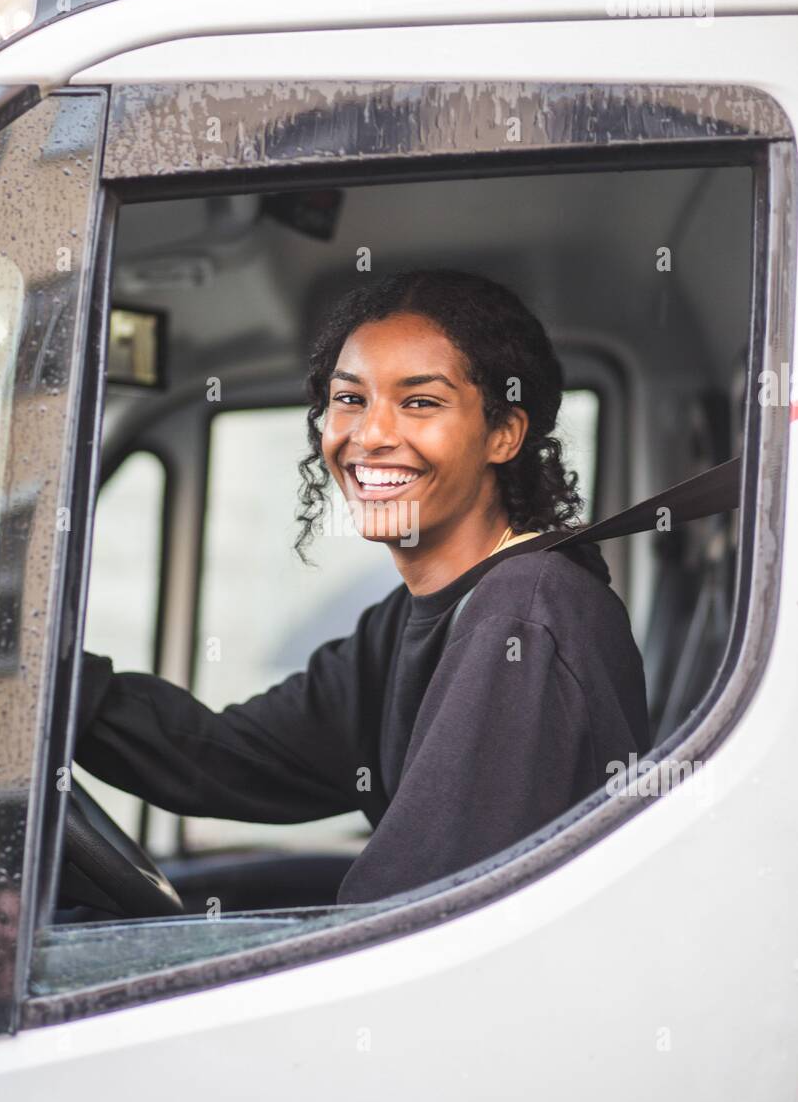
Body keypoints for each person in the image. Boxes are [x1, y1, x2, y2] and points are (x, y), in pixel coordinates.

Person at [73, 269, 650, 904]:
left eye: (420, 402)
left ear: (503, 433)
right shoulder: (406, 620)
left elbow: (425, 913)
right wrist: (25, 681)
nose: (370, 435)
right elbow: (223, 758)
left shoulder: (526, 615)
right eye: (350, 399)